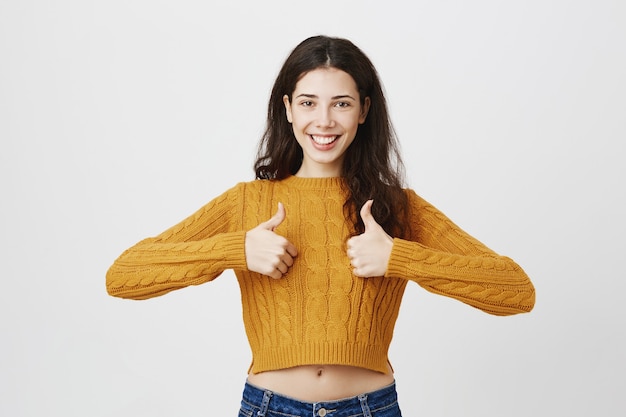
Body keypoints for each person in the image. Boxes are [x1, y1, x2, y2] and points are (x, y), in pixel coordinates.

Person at [106, 35, 535, 417]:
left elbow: (516, 291)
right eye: (309, 102)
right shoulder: (247, 202)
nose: (324, 121)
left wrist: (400, 258)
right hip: (269, 408)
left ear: (364, 110)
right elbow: (123, 276)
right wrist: (233, 250)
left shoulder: (395, 207)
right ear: (288, 108)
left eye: (341, 103)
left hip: (371, 408)